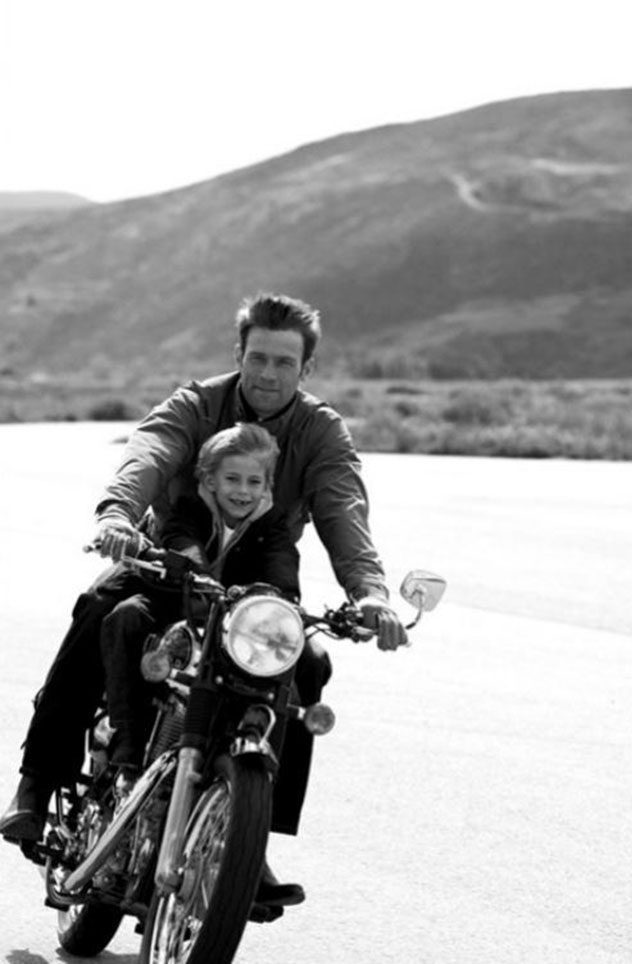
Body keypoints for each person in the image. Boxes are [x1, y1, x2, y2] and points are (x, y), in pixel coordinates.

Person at [0, 292, 407, 902]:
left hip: (257, 582)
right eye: (258, 358)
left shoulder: (320, 431)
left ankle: (247, 838)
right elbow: (150, 452)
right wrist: (117, 515)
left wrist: (371, 593)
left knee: (308, 662)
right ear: (239, 354)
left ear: (307, 369)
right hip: (168, 562)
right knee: (101, 611)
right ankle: (37, 781)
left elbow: (343, 507)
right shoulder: (196, 404)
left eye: (284, 362)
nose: (268, 373)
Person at [102, 422, 300, 772]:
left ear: (267, 485)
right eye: (232, 479)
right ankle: (127, 743)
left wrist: (280, 596)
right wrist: (196, 573)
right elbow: (182, 538)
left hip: (240, 622)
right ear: (210, 480)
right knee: (127, 616)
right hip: (179, 602)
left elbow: (281, 559)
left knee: (307, 658)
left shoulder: (272, 522)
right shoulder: (191, 506)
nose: (243, 491)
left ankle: (268, 789)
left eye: (254, 482)